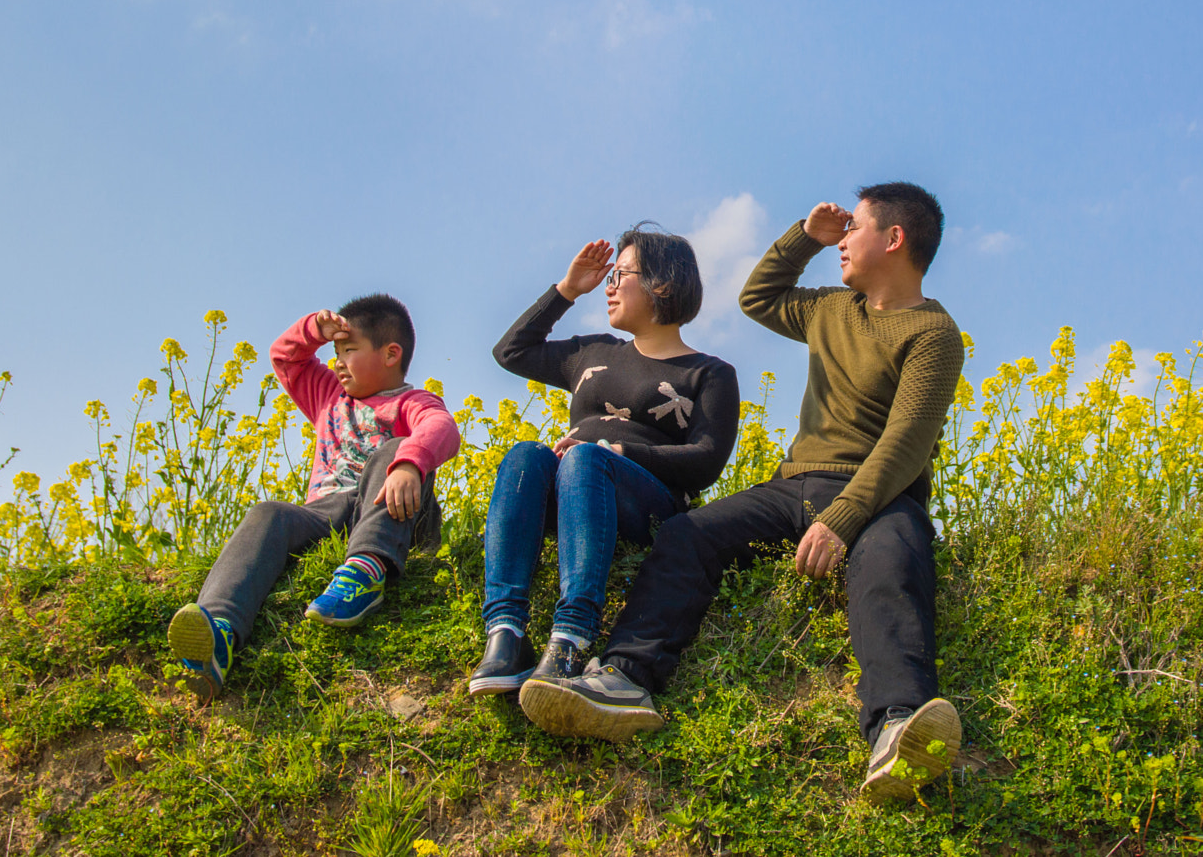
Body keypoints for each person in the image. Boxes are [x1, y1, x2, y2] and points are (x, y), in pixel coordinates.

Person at [524, 182, 967, 802]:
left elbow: (906, 442)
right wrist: (802, 239)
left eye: (853, 229)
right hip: (793, 485)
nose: (843, 240)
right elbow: (758, 297)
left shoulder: (934, 333)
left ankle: (897, 726)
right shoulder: (832, 309)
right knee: (687, 536)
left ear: (894, 239)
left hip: (881, 494)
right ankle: (624, 678)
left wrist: (842, 521)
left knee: (889, 564)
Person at [469, 225, 741, 719]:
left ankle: (570, 640)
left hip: (643, 503)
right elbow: (511, 353)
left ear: (662, 283)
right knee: (525, 456)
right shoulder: (594, 353)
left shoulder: (708, 373)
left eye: (621, 274)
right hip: (576, 490)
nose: (609, 285)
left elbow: (705, 462)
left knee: (587, 457)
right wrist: (567, 290)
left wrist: (618, 450)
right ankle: (505, 636)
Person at [167, 293, 460, 701]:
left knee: (393, 451)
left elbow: (441, 427)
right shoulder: (328, 396)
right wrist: (313, 331)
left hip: (394, 517)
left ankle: (365, 573)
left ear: (391, 354)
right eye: (335, 351)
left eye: (349, 350)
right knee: (269, 514)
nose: (337, 361)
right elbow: (286, 359)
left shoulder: (410, 402)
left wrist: (410, 463)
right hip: (327, 512)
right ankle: (218, 632)